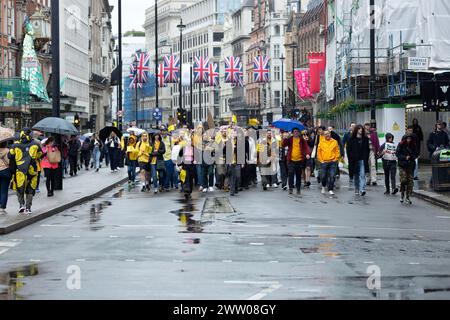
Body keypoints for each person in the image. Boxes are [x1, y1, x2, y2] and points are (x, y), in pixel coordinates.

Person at [8, 128, 43, 215]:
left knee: (20, 188)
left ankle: (21, 205)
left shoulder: (15, 145)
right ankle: (28, 207)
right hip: (32, 170)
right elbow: (40, 154)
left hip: (19, 170)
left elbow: (10, 156)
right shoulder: (35, 144)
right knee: (30, 188)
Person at [282, 128, 310, 196]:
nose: (296, 133)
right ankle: (291, 188)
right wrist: (286, 138)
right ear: (292, 132)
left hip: (299, 160)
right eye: (294, 131)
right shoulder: (290, 139)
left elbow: (306, 147)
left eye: (297, 131)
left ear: (299, 132)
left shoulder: (302, 140)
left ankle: (298, 189)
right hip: (291, 160)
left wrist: (307, 154)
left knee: (298, 176)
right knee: (290, 174)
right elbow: (283, 144)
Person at [347, 125, 370, 197]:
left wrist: (366, 157)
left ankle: (362, 189)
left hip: (363, 159)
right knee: (356, 175)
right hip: (354, 160)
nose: (361, 130)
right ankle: (357, 188)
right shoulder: (351, 139)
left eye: (361, 129)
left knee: (362, 175)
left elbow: (367, 150)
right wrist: (350, 158)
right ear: (356, 130)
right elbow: (348, 150)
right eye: (359, 129)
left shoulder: (365, 139)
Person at [396, 134, 419, 205]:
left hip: (410, 165)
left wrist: (411, 156)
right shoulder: (401, 145)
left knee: (410, 182)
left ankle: (408, 197)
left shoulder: (413, 145)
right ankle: (402, 194)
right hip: (402, 165)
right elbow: (398, 154)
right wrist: (404, 157)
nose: (409, 140)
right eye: (407, 139)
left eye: (410, 139)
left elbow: (416, 154)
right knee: (403, 180)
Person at [318, 131, 341, 196]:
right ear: (324, 135)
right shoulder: (321, 142)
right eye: (325, 134)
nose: (327, 135)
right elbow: (319, 152)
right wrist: (321, 160)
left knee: (332, 176)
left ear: (330, 134)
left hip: (332, 162)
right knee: (323, 176)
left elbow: (337, 151)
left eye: (328, 134)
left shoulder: (334, 142)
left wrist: (335, 159)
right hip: (324, 161)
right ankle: (323, 186)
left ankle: (330, 189)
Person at [161, 127, 175, 191]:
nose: (163, 132)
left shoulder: (170, 139)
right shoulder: (159, 139)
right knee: (163, 173)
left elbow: (173, 149)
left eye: (164, 131)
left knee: (169, 172)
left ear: (166, 131)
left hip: (169, 158)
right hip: (162, 158)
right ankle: (164, 185)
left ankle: (166, 185)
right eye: (162, 131)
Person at [0, 141, 12, 214]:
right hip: (5, 171)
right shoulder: (7, 151)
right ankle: (2, 208)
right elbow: (9, 162)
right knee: (4, 189)